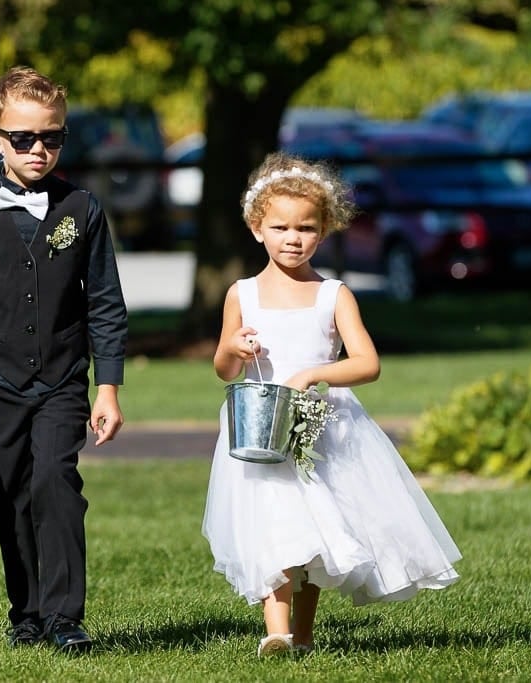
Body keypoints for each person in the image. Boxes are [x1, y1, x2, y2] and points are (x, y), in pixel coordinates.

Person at [202, 151, 461, 658]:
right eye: (280, 227)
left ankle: (302, 632)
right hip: (259, 425)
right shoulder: (242, 294)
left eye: (306, 228)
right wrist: (233, 349)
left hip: (322, 429)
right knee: (274, 526)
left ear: (323, 232)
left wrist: (315, 373)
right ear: (258, 229)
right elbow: (224, 369)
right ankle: (274, 631)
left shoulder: (333, 295)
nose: (293, 238)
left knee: (316, 529)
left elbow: (366, 362)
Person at [0, 65, 128, 654]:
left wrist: (108, 387)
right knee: (11, 496)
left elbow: (105, 305)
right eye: (24, 139)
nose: (39, 150)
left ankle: (66, 617)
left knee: (55, 483)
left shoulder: (84, 210)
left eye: (52, 137)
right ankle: (26, 612)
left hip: (63, 381)